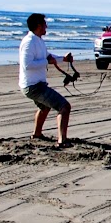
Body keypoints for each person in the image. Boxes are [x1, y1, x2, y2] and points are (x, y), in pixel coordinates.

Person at [19, 13, 74, 146]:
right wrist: (46, 62)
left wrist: (64, 59)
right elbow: (27, 65)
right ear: (39, 26)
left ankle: (37, 134)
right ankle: (62, 141)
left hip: (35, 84)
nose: (46, 26)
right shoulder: (29, 42)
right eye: (44, 24)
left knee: (45, 107)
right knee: (64, 106)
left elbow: (49, 57)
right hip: (33, 86)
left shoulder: (38, 40)